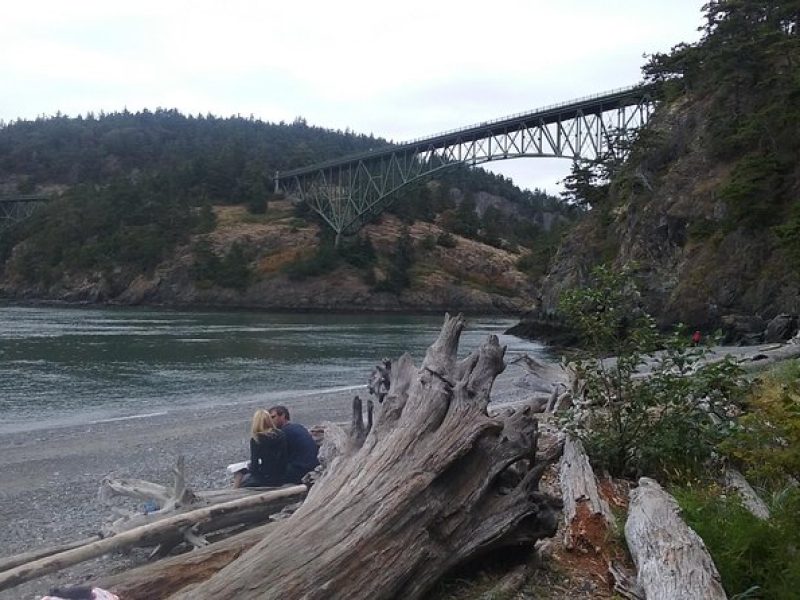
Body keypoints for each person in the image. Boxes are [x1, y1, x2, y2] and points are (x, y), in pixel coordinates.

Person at [234, 409, 288, 488]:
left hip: (266, 478)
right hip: (281, 476)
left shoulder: (256, 439)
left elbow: (255, 464)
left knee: (239, 475)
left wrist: (250, 470)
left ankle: (234, 492)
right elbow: (283, 456)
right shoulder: (280, 434)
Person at [269, 405, 319, 484]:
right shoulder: (298, 427)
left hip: (300, 470)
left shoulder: (283, 433)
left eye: (273, 417)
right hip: (313, 465)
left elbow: (279, 458)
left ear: (283, 415)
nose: (270, 421)